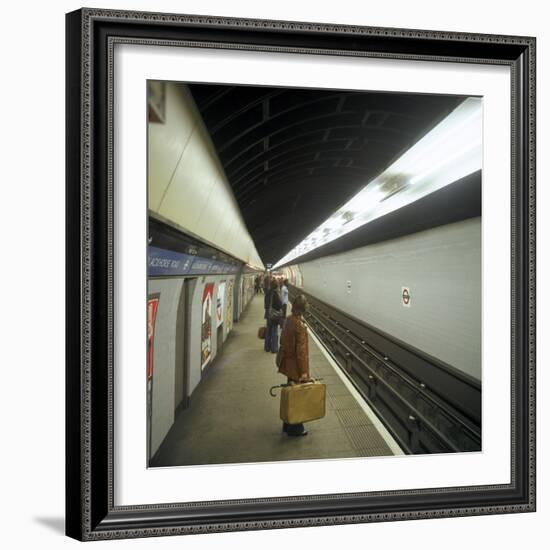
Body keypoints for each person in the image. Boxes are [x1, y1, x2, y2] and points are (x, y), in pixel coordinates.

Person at [277, 294, 310, 436]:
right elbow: (301, 352)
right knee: (296, 397)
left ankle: (286, 425)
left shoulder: (288, 321)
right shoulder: (300, 326)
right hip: (296, 366)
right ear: (303, 309)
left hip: (287, 362)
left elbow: (282, 341)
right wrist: (304, 372)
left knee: (291, 394)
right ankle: (296, 429)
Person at [264, 279, 282, 353]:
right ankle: (274, 348)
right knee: (274, 332)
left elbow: (265, 304)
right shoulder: (275, 293)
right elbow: (279, 305)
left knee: (268, 331)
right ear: (276, 286)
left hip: (268, 314)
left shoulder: (268, 292)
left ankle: (267, 347)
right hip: (273, 315)